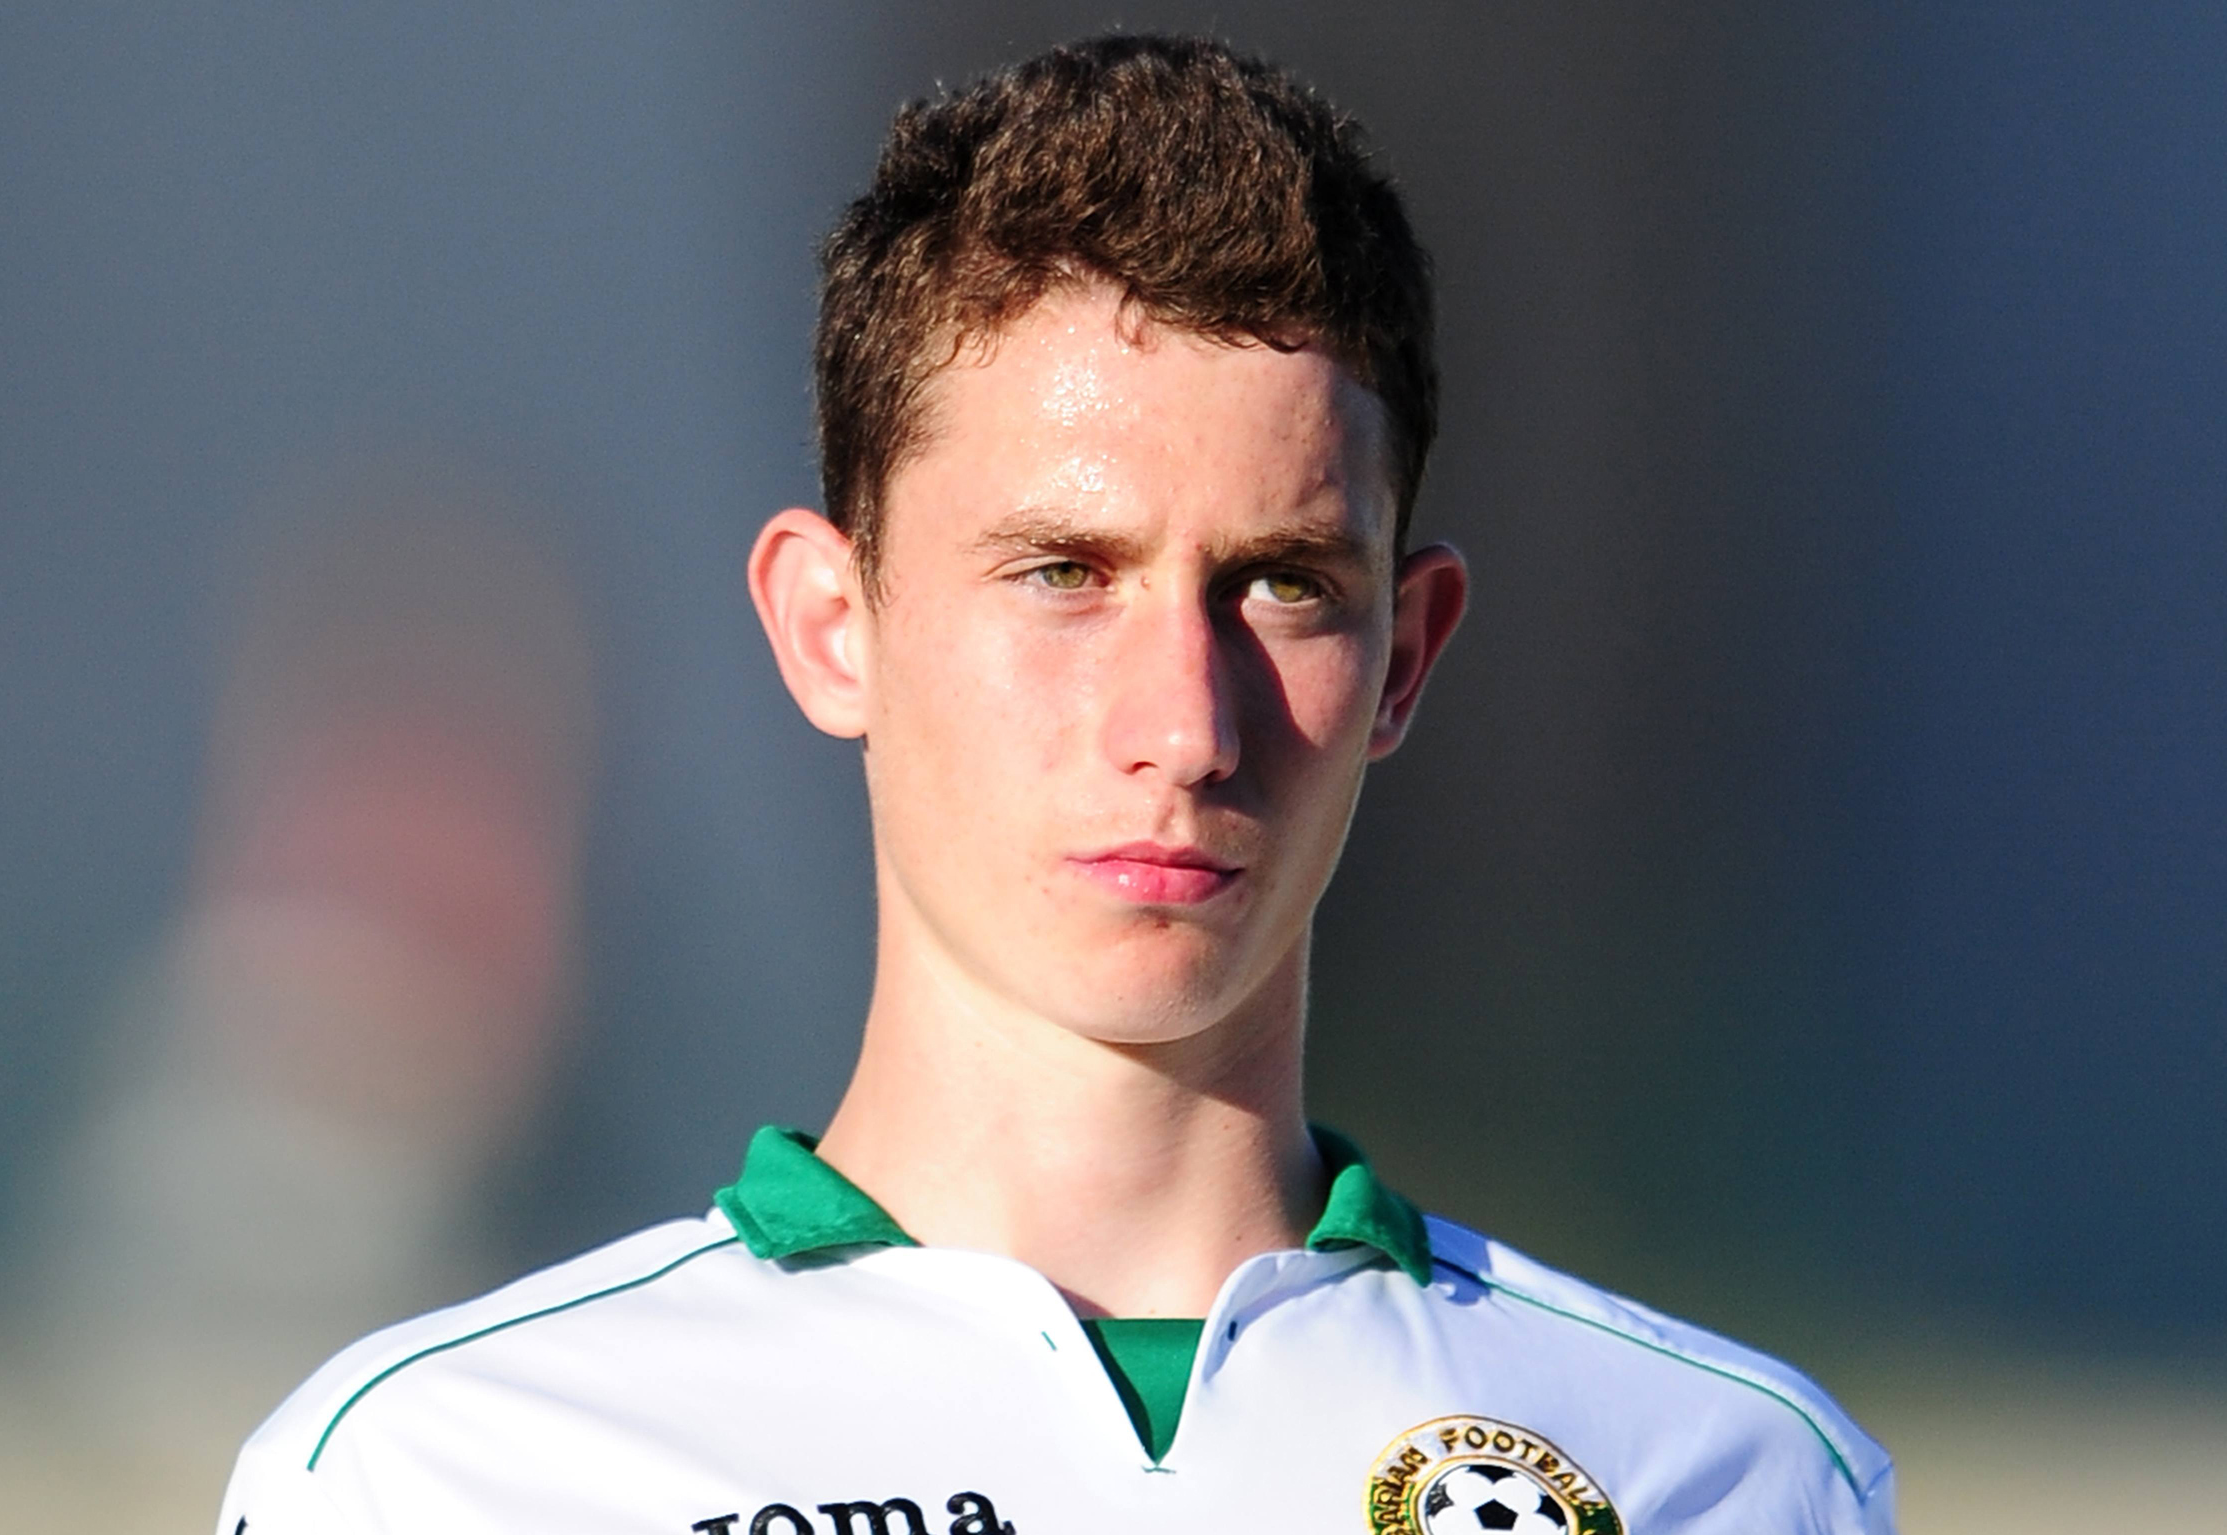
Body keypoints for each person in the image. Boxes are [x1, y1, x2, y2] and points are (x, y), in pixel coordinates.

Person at [217, 34, 1894, 1535]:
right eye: (1063, 574)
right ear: (831, 628)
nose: (1185, 724)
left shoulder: (1721, 1475)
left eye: (1283, 584)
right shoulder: (438, 1479)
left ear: (1408, 653)